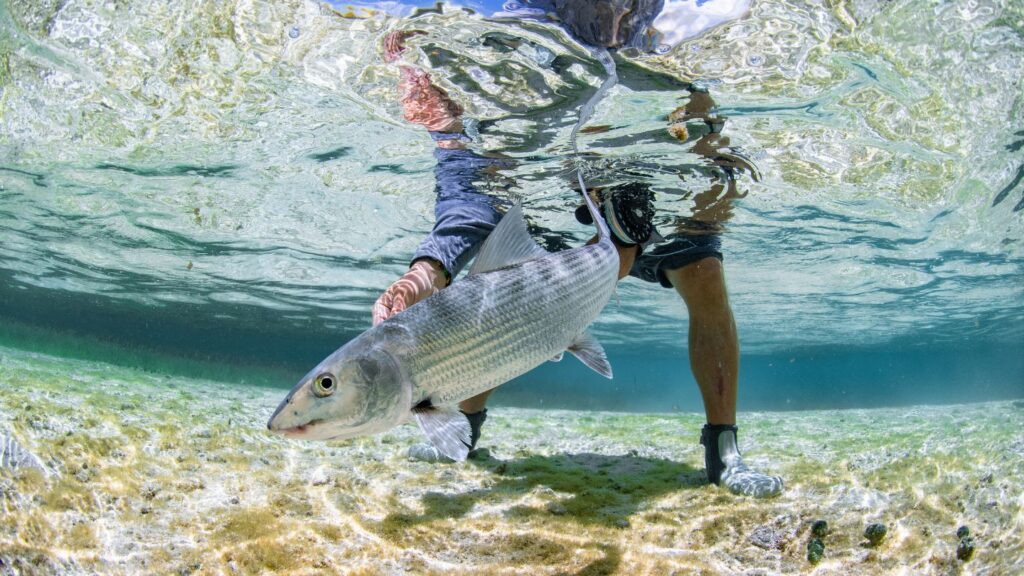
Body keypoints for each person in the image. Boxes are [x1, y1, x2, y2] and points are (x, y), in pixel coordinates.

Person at [370, 0, 783, 498]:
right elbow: (469, 192)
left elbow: (716, 160)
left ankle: (724, 448)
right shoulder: (494, 54)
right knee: (497, 291)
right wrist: (427, 271)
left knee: (704, 277)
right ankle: (467, 423)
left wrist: (700, 220)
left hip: (662, 197)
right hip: (555, 209)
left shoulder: (688, 46)